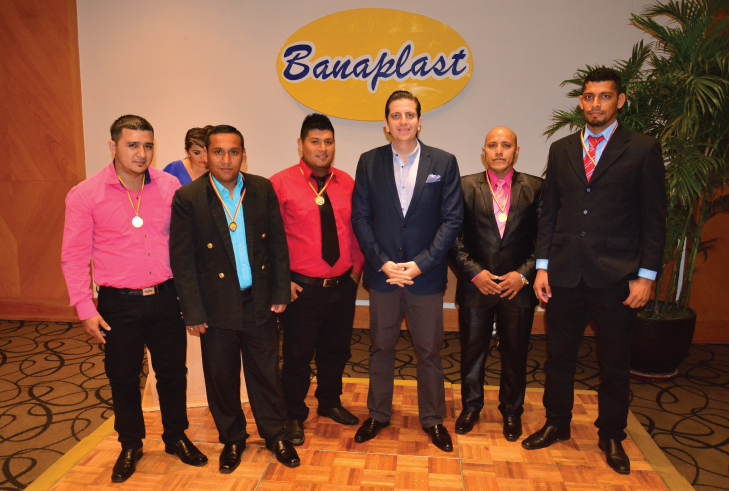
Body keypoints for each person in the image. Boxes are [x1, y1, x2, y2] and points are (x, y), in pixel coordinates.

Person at [524, 67, 666, 475]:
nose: (596, 104)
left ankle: (611, 434)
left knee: (614, 363)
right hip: (565, 275)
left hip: (617, 278)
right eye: (589, 97)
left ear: (620, 100)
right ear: (581, 102)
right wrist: (542, 267)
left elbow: (654, 218)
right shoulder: (563, 149)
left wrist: (647, 276)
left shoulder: (642, 149)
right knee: (558, 358)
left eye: (605, 96)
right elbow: (550, 212)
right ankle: (557, 423)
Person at [61, 115, 208, 484]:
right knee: (123, 377)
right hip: (118, 304)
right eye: (132, 145)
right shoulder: (85, 194)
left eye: (147, 145)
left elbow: (187, 243)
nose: (141, 153)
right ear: (114, 147)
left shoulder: (170, 185)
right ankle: (130, 443)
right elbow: (74, 257)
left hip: (166, 298)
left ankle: (175, 436)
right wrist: (85, 308)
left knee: (172, 373)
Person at [169, 125, 300, 473]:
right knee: (221, 378)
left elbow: (277, 244)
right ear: (206, 156)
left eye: (233, 151)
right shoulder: (189, 198)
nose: (226, 159)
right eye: (218, 152)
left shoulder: (261, 189)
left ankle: (276, 435)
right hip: (215, 308)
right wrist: (193, 311)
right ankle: (232, 439)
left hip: (259, 301)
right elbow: (182, 261)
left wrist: (280, 291)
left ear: (243, 155)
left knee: (267, 374)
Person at [351, 90, 463, 452]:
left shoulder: (443, 162)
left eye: (409, 115)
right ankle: (378, 414)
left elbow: (451, 220)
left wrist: (420, 264)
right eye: (396, 116)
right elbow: (360, 218)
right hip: (383, 275)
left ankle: (432, 419)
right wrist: (382, 261)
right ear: (386, 124)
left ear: (420, 121)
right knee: (380, 347)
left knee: (429, 351)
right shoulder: (369, 162)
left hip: (425, 277)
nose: (403, 121)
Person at [270, 114, 365, 445]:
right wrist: (281, 281)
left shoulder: (347, 183)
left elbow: (357, 231)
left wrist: (355, 273)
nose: (322, 148)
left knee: (336, 351)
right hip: (301, 290)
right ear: (301, 144)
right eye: (315, 141)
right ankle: (294, 414)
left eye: (328, 141)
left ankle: (329, 402)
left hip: (341, 287)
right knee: (297, 356)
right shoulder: (280, 184)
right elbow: (268, 239)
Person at [448, 127, 543, 441]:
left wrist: (523, 274)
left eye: (506, 145)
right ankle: (471, 407)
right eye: (493, 145)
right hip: (477, 287)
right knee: (472, 352)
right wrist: (475, 274)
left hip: (518, 289)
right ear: (484, 151)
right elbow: (452, 239)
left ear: (517, 151)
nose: (499, 151)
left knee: (515, 354)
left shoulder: (536, 187)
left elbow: (546, 239)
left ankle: (512, 411)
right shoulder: (464, 186)